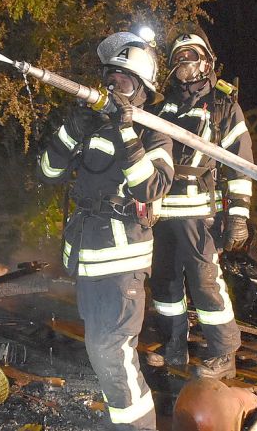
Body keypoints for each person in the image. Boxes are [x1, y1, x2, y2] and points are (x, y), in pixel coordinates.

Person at [38, 31, 174, 431]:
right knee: (103, 355)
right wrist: (70, 129)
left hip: (122, 263)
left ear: (142, 89)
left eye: (125, 80)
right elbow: (48, 173)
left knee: (111, 352)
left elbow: (149, 187)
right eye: (110, 78)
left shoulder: (154, 132)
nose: (114, 87)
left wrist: (126, 131)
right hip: (88, 260)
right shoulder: (91, 127)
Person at [148, 24, 253, 380]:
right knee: (164, 284)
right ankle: (173, 345)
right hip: (162, 213)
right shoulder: (161, 109)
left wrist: (238, 216)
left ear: (207, 63)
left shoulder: (224, 106)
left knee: (206, 282)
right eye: (179, 60)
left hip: (199, 214)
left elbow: (241, 163)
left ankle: (224, 352)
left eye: (191, 58)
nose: (184, 66)